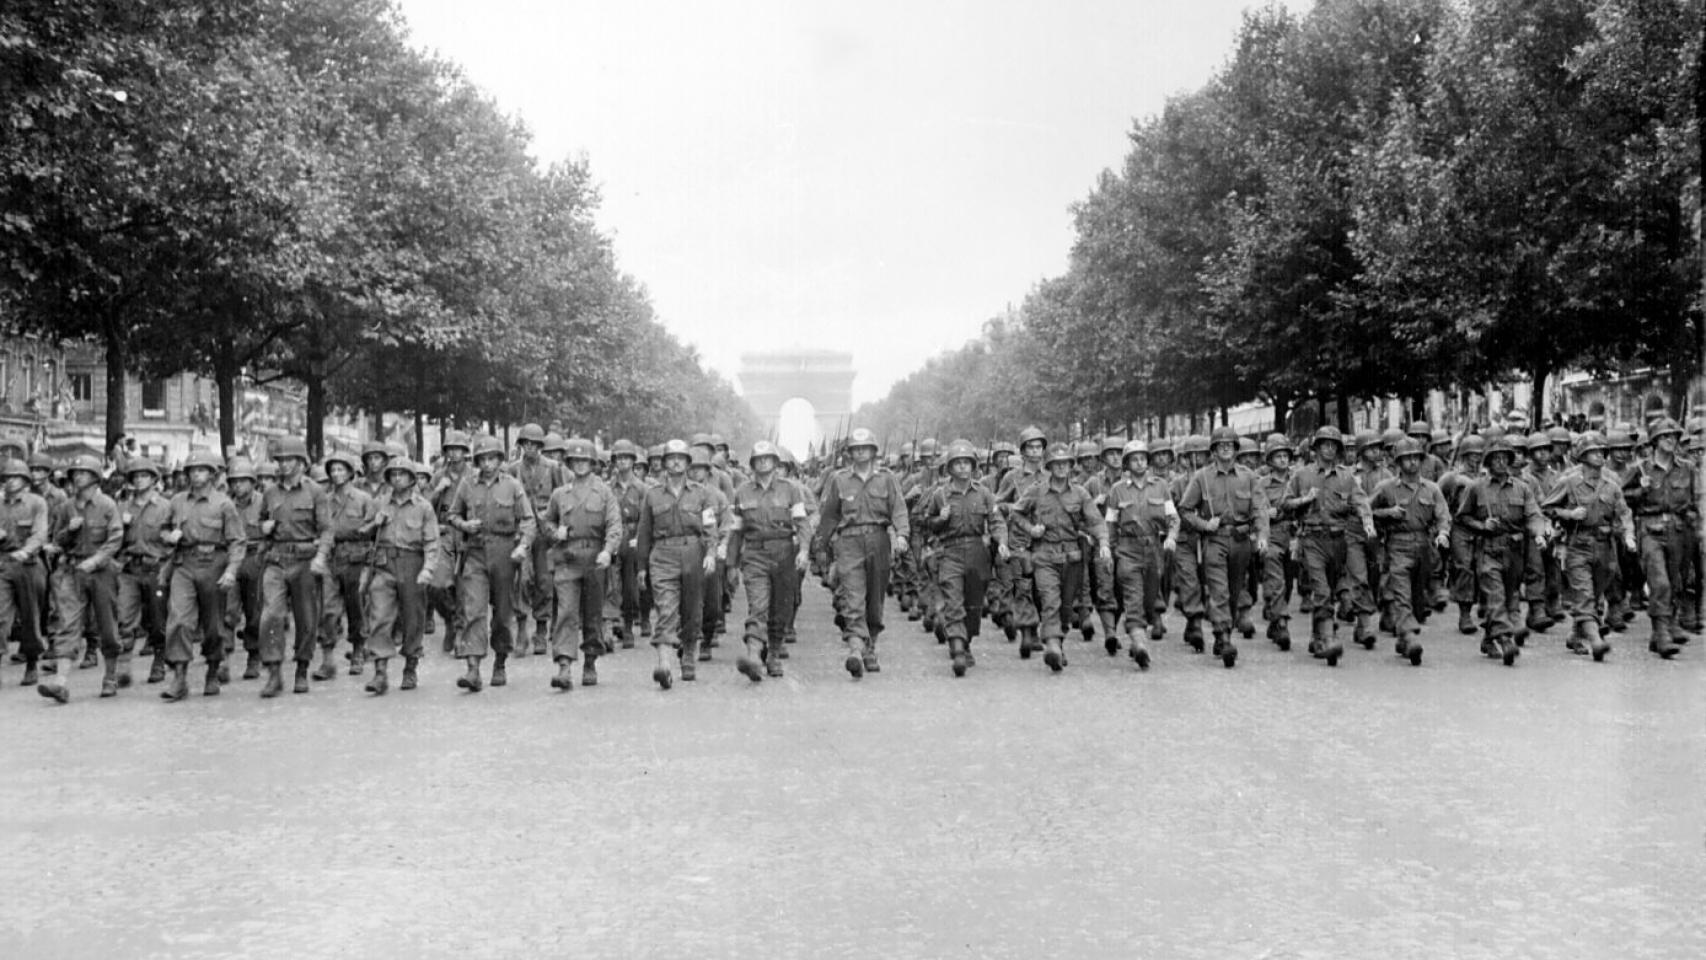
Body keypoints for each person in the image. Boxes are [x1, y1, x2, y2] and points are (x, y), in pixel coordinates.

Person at [814, 427, 910, 678]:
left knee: (875, 600)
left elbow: (899, 509)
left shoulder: (887, 479)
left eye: (865, 448)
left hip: (879, 540)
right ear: (849, 453)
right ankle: (855, 649)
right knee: (852, 596)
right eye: (856, 449)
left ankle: (870, 646)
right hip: (849, 542)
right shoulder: (839, 480)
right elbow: (830, 516)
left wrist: (901, 535)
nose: (860, 453)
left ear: (873, 451)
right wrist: (820, 547)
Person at [1009, 443, 1110, 673]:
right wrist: (1031, 529)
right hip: (1044, 555)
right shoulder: (1036, 491)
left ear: (1071, 466)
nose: (1062, 468)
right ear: (1049, 466)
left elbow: (1095, 521)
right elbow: (1016, 513)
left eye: (1065, 463)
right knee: (1050, 600)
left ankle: (1058, 642)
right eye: (1057, 464)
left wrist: (1103, 543)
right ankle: (1052, 645)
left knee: (1066, 608)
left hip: (1072, 558)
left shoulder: (1080, 493)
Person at [447, 435, 536, 691]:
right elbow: (452, 514)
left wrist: (522, 546)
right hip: (475, 552)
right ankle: (473, 668)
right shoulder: (467, 484)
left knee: (502, 613)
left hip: (504, 553)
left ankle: (500, 661)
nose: (487, 464)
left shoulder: (512, 485)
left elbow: (528, 520)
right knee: (473, 610)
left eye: (492, 459)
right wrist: (465, 525)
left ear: (499, 460)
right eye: (483, 459)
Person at [1280, 427, 1375, 667]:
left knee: (1331, 590)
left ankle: (1316, 635)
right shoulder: (1302, 476)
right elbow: (1285, 504)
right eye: (1325, 444)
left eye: (1334, 445)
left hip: (1338, 540)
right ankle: (1328, 637)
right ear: (1316, 448)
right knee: (1321, 590)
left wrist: (1367, 521)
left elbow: (1361, 501)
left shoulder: (1346, 477)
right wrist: (1305, 499)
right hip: (1312, 539)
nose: (1329, 449)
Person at [156, 450, 246, 700]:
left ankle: (213, 670)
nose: (196, 475)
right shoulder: (177, 502)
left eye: (202, 470)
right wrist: (169, 536)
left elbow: (237, 541)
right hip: (184, 564)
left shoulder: (224, 504)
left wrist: (231, 571)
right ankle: (179, 677)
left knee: (214, 625)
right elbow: (162, 531)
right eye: (192, 471)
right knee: (179, 619)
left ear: (212, 474)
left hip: (214, 565)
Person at [1176, 427, 1269, 668]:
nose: (1226, 448)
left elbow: (1259, 509)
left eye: (1230, 445)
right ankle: (1224, 636)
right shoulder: (1202, 477)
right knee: (1219, 590)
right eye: (1221, 445)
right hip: (1215, 539)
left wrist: (1262, 536)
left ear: (1236, 450)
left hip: (1241, 540)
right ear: (1214, 450)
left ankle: (1223, 628)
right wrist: (1204, 525)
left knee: (1235, 591)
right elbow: (1185, 509)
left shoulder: (1249, 477)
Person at [635, 439, 723, 689]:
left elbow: (710, 527)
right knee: (666, 608)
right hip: (663, 554)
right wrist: (641, 567)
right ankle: (664, 664)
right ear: (664, 463)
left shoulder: (702, 493)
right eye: (671, 458)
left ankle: (688, 654)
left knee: (692, 609)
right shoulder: (652, 495)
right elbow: (644, 533)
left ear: (687, 463)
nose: (675, 462)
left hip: (693, 552)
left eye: (680, 458)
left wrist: (710, 553)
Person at [35, 455, 122, 702]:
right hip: (73, 570)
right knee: (68, 624)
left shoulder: (107, 505)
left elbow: (115, 539)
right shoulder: (66, 507)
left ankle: (110, 676)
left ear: (95, 477)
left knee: (107, 625)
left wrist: (95, 561)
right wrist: (69, 531)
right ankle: (60, 683)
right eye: (75, 473)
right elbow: (57, 540)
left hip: (101, 571)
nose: (77, 477)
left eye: (83, 473)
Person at [1539, 432, 1632, 661]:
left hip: (1605, 547)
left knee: (1595, 593)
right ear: (1582, 456)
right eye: (1593, 452)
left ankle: (1576, 634)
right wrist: (1569, 514)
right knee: (1584, 594)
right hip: (1578, 545)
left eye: (1601, 451)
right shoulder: (1569, 482)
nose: (1599, 455)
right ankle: (1596, 640)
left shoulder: (1612, 485)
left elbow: (1624, 513)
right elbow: (1547, 508)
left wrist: (1629, 535)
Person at [1455, 436, 1547, 666]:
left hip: (1514, 551)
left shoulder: (1522, 488)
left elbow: (1533, 514)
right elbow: (1462, 517)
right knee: (1495, 595)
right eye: (1495, 458)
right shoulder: (1476, 488)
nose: (1500, 462)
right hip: (1488, 549)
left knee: (1506, 596)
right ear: (1487, 462)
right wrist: (1481, 525)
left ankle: (1488, 639)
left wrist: (1539, 534)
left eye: (1504, 458)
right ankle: (1506, 640)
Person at [918, 440, 1007, 677]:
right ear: (950, 468)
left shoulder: (984, 493)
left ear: (973, 466)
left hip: (978, 552)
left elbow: (996, 521)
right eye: (957, 463)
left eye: (966, 463)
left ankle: (966, 642)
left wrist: (1001, 542)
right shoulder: (940, 495)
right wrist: (940, 519)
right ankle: (957, 645)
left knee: (974, 604)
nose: (962, 467)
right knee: (953, 600)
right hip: (951, 552)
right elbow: (927, 524)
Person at [727, 441, 812, 681]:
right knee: (758, 606)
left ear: (776, 463)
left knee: (781, 607)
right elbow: (736, 531)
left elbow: (802, 523)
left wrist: (804, 550)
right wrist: (731, 565)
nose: (763, 462)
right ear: (752, 464)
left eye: (768, 459)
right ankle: (753, 655)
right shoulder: (742, 492)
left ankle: (773, 653)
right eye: (759, 459)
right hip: (755, 554)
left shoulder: (791, 490)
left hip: (784, 553)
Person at [542, 437, 622, 691]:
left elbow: (614, 525)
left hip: (595, 560)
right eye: (575, 460)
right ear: (569, 463)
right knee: (566, 611)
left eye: (584, 460)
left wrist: (608, 551)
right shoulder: (560, 494)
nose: (580, 465)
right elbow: (547, 522)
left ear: (593, 463)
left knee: (592, 614)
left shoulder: (604, 492)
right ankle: (564, 666)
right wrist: (555, 533)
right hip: (568, 559)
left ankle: (590, 660)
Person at [257, 437, 333, 698]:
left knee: (306, 618)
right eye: (280, 460)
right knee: (271, 615)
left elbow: (326, 530)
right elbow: (261, 522)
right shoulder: (270, 493)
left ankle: (302, 668)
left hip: (305, 561)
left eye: (289, 459)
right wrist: (264, 528)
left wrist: (321, 557)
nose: (284, 464)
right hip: (276, 560)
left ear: (301, 462)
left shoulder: (315, 492)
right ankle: (274, 672)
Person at [361, 457, 440, 694]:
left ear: (411, 478)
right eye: (393, 475)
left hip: (412, 564)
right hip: (384, 563)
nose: (397, 479)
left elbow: (432, 541)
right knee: (379, 615)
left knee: (413, 618)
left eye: (402, 474)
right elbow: (362, 532)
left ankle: (410, 666)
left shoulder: (423, 507)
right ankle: (380, 672)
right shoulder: (379, 502)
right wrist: (375, 523)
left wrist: (428, 569)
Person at [1369, 438, 1450, 666]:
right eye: (1407, 458)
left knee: (1417, 597)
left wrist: (1443, 533)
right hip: (1398, 545)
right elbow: (1365, 509)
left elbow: (1443, 515)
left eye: (1416, 458)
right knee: (1401, 593)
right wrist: (1387, 513)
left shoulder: (1432, 489)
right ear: (1398, 462)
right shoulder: (1386, 488)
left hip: (1424, 546)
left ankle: (1403, 638)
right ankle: (1409, 634)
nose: (1413, 462)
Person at [1624, 417, 1698, 658]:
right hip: (1650, 529)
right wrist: (1640, 490)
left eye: (1674, 436)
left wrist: (1693, 521)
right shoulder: (1640, 469)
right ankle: (1661, 631)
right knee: (1660, 582)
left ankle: (1665, 627)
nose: (1670, 440)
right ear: (1655, 440)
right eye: (1665, 436)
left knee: (1676, 582)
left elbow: (1695, 500)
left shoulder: (1687, 468)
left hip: (1679, 529)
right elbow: (1621, 499)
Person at [1103, 439, 1177, 670]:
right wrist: (1108, 551)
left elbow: (1173, 518)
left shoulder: (1160, 486)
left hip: (1154, 549)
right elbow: (1110, 525)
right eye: (1134, 459)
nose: (1139, 463)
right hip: (1127, 550)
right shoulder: (1117, 490)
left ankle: (1137, 637)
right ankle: (1139, 642)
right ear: (1127, 464)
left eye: (1143, 458)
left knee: (1149, 599)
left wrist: (1172, 537)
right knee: (1133, 597)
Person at [315, 448, 375, 681]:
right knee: (328, 610)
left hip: (356, 559)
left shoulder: (363, 499)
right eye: (333, 470)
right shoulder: (324, 500)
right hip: (331, 558)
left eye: (341, 469)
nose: (336, 474)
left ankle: (358, 651)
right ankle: (327, 659)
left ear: (351, 473)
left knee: (356, 608)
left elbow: (373, 530)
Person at [116, 458, 172, 689]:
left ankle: (159, 660)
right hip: (130, 568)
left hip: (156, 568)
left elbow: (173, 538)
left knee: (158, 620)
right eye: (136, 476)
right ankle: (123, 664)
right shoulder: (122, 508)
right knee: (124, 618)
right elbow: (114, 540)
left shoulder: (165, 507)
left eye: (144, 476)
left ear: (153, 480)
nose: (139, 480)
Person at [509, 423, 562, 656]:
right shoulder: (513, 470)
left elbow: (561, 498)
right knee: (521, 580)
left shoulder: (553, 468)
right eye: (526, 443)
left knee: (544, 581)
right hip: (522, 531)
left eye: (534, 444)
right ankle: (521, 628)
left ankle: (541, 628)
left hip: (545, 534)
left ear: (540, 446)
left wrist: (557, 527)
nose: (530, 448)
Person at [224, 458, 268, 679]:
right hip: (231, 558)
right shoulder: (225, 504)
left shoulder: (264, 503)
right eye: (234, 481)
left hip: (255, 557)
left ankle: (254, 655)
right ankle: (223, 658)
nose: (238, 485)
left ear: (253, 482)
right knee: (227, 611)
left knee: (255, 612)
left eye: (243, 481)